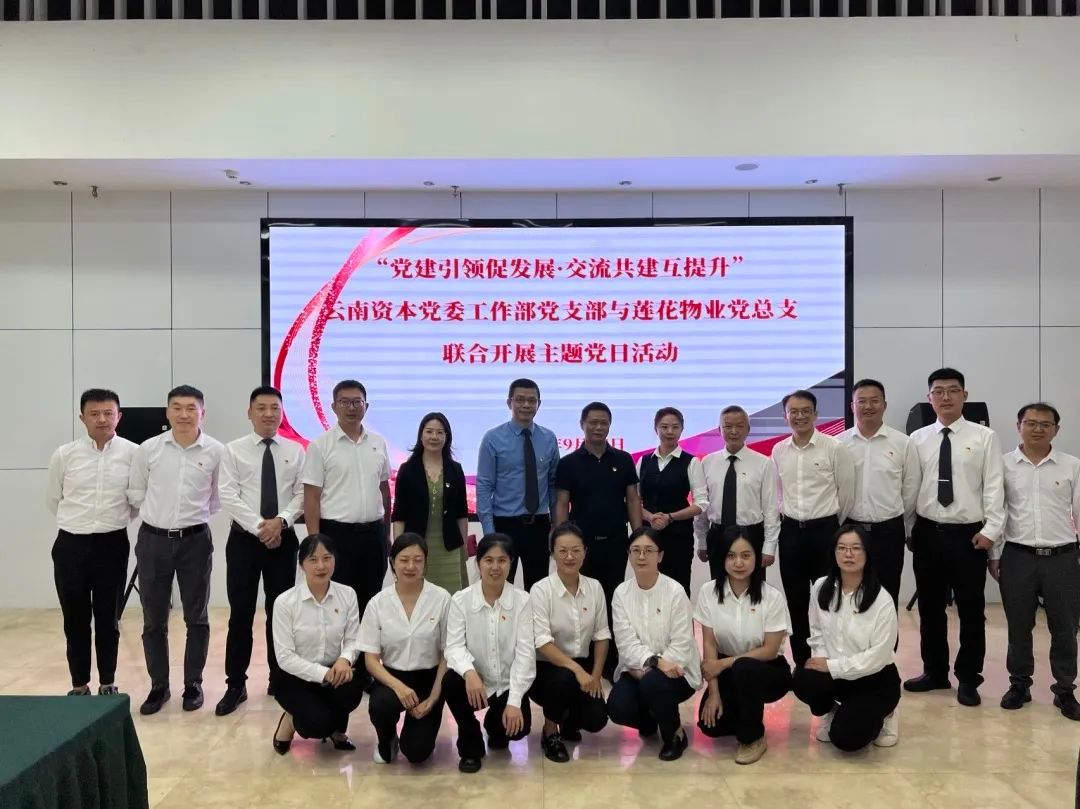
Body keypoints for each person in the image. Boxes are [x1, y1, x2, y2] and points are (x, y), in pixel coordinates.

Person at [905, 368, 1004, 707]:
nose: (945, 397)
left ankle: (968, 678)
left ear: (965, 395)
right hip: (928, 532)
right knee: (930, 609)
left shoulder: (985, 437)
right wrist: (910, 529)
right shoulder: (917, 439)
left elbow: (994, 488)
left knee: (971, 611)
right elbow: (911, 489)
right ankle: (934, 672)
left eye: (952, 390)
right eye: (938, 391)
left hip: (969, 536)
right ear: (929, 397)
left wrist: (991, 532)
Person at [127, 384, 224, 715]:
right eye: (177, 407)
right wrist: (160, 518)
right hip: (153, 541)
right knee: (153, 619)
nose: (184, 414)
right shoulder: (149, 449)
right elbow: (136, 493)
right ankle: (159, 686)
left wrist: (188, 521)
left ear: (202, 413)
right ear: (168, 412)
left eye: (191, 408)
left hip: (195, 541)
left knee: (197, 616)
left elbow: (216, 499)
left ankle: (193, 683)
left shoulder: (216, 451)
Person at [215, 385, 305, 716]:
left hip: (283, 540)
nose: (269, 414)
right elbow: (228, 494)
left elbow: (301, 494)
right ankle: (235, 684)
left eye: (275, 408)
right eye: (262, 408)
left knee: (279, 613)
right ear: (249, 412)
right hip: (244, 542)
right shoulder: (233, 450)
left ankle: (278, 679)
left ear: (282, 413)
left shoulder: (296, 450)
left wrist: (279, 523)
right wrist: (260, 527)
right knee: (240, 614)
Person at [46, 388, 137, 697]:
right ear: (82, 417)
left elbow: (135, 502)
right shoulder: (64, 454)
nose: (102, 419)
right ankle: (79, 684)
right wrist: (80, 524)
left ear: (119, 417)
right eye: (94, 414)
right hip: (70, 545)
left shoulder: (133, 454)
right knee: (75, 618)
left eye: (108, 413)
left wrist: (110, 523)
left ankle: (107, 682)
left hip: (112, 544)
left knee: (108, 617)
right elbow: (53, 499)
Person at [995, 403, 1080, 721]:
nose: (1038, 429)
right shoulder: (1003, 465)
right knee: (1019, 626)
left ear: (1056, 429)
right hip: (1018, 556)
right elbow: (996, 512)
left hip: (1063, 557)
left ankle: (1065, 689)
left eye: (1046, 424)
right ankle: (1019, 685)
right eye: (1031, 423)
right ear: (1018, 426)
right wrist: (994, 554)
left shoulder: (1071, 466)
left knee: (1066, 627)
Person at [792, 524, 901, 751]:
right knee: (803, 679)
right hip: (838, 675)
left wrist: (832, 667)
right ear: (833, 553)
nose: (848, 554)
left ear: (867, 554)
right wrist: (821, 660)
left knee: (846, 740)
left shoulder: (881, 600)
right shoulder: (821, 587)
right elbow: (817, 631)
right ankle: (834, 709)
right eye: (841, 548)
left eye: (856, 548)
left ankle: (888, 713)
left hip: (875, 679)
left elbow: (878, 657)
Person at [555, 401, 642, 676]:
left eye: (604, 422)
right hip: (581, 547)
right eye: (593, 422)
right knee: (583, 601)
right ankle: (585, 659)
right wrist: (560, 540)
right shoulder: (568, 463)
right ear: (582, 425)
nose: (598, 427)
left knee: (614, 599)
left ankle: (612, 661)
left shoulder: (623, 460)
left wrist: (638, 536)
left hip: (616, 542)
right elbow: (562, 503)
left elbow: (633, 499)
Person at [771, 389, 856, 667]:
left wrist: (832, 527)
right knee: (795, 601)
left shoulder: (834, 447)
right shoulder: (779, 450)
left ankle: (829, 661)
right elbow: (778, 493)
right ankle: (802, 663)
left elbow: (846, 494)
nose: (800, 416)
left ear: (816, 414)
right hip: (790, 533)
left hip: (825, 532)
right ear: (785, 416)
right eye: (793, 412)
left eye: (806, 411)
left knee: (828, 599)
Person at [695, 526, 792, 765]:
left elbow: (770, 650)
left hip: (768, 669)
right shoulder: (708, 592)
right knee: (711, 726)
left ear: (756, 558)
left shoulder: (772, 597)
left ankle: (753, 738)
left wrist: (724, 664)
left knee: (745, 668)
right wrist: (714, 694)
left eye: (746, 555)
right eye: (731, 555)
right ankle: (743, 714)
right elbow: (709, 645)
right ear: (722, 558)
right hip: (727, 668)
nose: (738, 562)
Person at [302, 379, 392, 633]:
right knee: (338, 604)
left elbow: (384, 490)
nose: (351, 408)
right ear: (333, 406)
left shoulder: (378, 442)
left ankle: (366, 657)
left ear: (366, 406)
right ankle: (340, 657)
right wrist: (315, 542)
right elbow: (311, 497)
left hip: (373, 534)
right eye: (345, 402)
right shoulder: (320, 445)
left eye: (357, 402)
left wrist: (386, 533)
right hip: (336, 535)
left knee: (371, 601)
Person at [443, 534, 535, 773]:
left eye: (502, 560)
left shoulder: (523, 601)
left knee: (518, 729)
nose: (495, 567)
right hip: (476, 683)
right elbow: (453, 647)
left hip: (506, 683)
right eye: (488, 560)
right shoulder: (461, 600)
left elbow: (526, 655)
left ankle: (495, 727)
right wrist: (469, 673)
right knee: (451, 681)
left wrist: (514, 701)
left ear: (511, 563)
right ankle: (470, 744)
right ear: (478, 563)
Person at [606, 527, 700, 761]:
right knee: (617, 707)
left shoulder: (675, 591)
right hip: (637, 669)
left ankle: (674, 735)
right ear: (629, 555)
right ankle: (650, 718)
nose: (641, 556)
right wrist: (654, 664)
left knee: (654, 684)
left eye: (649, 550)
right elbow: (626, 644)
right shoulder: (621, 593)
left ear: (660, 556)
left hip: (677, 671)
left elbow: (681, 644)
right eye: (635, 550)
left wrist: (655, 669)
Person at [360, 533, 452, 764]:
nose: (411, 566)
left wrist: (433, 697)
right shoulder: (378, 603)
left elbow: (447, 653)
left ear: (426, 562)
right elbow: (371, 660)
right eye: (404, 560)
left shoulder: (441, 599)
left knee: (416, 753)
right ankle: (387, 738)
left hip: (430, 678)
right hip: (392, 677)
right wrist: (399, 687)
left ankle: (417, 734)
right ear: (392, 562)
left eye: (418, 560)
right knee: (381, 704)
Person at [271, 534, 365, 754]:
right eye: (313, 560)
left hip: (334, 669)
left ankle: (336, 729)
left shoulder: (347, 594)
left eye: (327, 558)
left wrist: (344, 660)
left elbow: (353, 639)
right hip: (294, 676)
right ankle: (290, 720)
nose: (321, 566)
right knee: (316, 724)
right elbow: (285, 657)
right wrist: (323, 674)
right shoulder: (285, 602)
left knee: (353, 689)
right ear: (301, 565)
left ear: (335, 560)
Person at [528, 523, 610, 763]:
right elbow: (542, 642)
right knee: (563, 678)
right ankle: (550, 731)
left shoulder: (594, 587)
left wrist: (595, 675)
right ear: (552, 554)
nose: (569, 557)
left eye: (576, 550)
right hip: (547, 668)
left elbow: (601, 635)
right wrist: (576, 670)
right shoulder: (540, 590)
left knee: (597, 719)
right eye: (562, 551)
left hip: (582, 665)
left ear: (585, 552)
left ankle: (568, 721)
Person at [837, 379, 920, 608]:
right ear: (852, 406)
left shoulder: (903, 443)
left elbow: (910, 490)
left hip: (888, 532)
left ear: (885, 405)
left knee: (887, 594)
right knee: (849, 594)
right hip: (850, 529)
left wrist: (902, 524)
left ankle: (887, 634)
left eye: (874, 401)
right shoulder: (838, 444)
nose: (868, 406)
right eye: (861, 401)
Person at [476, 379, 561, 589]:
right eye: (520, 399)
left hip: (539, 525)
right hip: (504, 525)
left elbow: (553, 485)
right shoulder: (493, 438)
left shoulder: (549, 438)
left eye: (532, 400)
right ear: (509, 402)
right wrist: (490, 532)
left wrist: (556, 525)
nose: (526, 405)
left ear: (539, 404)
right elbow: (484, 486)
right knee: (501, 588)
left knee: (539, 589)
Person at [695, 405, 780, 579]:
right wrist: (702, 541)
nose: (734, 431)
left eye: (740, 426)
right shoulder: (707, 462)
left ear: (748, 429)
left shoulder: (763, 463)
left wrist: (769, 547)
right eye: (727, 426)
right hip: (717, 535)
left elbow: (771, 508)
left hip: (751, 535)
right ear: (719, 429)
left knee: (754, 589)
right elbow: (702, 506)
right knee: (718, 588)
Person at [391, 413, 468, 593]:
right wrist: (399, 549)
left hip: (449, 549)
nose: (434, 437)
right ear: (421, 435)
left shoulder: (455, 470)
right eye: (429, 431)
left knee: (452, 599)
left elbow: (462, 514)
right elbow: (399, 515)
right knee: (419, 596)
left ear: (447, 437)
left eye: (440, 432)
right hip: (416, 549)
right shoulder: (407, 470)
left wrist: (463, 548)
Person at [637, 407, 708, 596]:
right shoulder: (643, 461)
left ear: (682, 429)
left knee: (678, 587)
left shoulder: (691, 462)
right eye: (664, 426)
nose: (669, 431)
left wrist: (670, 517)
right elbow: (633, 500)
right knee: (648, 587)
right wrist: (650, 517)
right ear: (656, 428)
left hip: (679, 537)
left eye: (675, 427)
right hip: (648, 535)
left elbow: (701, 503)